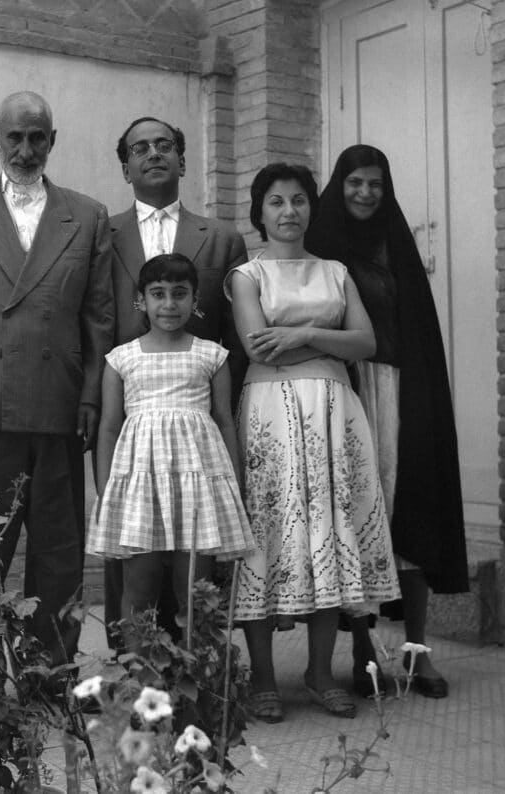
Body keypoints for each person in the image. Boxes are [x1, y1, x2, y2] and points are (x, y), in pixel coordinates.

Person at [0, 90, 114, 666]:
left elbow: (98, 316)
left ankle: (48, 672)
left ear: (52, 141)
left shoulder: (86, 214)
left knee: (59, 552)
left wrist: (90, 398)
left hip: (58, 404)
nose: (26, 150)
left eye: (38, 138)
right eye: (15, 137)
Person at [226, 162, 400, 723]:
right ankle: (263, 677)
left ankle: (320, 672)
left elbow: (367, 341)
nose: (288, 212)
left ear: (311, 208)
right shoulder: (246, 275)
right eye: (276, 202)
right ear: (260, 211)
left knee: (331, 527)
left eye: (298, 200)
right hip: (270, 415)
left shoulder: (336, 271)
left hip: (333, 414)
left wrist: (301, 335)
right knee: (269, 532)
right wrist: (330, 346)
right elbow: (258, 349)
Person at [306, 144, 469, 699]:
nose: (365, 193)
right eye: (355, 182)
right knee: (354, 516)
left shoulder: (398, 245)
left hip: (401, 391)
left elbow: (418, 331)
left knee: (412, 512)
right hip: (345, 392)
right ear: (339, 185)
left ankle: (416, 653)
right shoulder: (320, 247)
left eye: (376, 183)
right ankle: (361, 654)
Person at [103, 116, 249, 645]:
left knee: (196, 572)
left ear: (183, 160)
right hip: (132, 411)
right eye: (139, 148)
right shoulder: (103, 232)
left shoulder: (222, 237)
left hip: (195, 432)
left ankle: (198, 674)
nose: (153, 154)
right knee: (136, 570)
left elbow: (233, 335)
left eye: (164, 145)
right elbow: (95, 316)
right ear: (126, 166)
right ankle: (134, 672)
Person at [87, 253, 254, 650]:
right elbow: (109, 427)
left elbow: (225, 420)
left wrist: (234, 484)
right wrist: (106, 490)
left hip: (197, 487)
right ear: (141, 300)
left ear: (194, 299)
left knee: (195, 589)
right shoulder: (121, 359)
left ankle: (203, 683)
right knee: (139, 589)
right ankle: (139, 680)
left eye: (179, 294)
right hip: (140, 487)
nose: (168, 304)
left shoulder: (211, 355)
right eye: (158, 294)